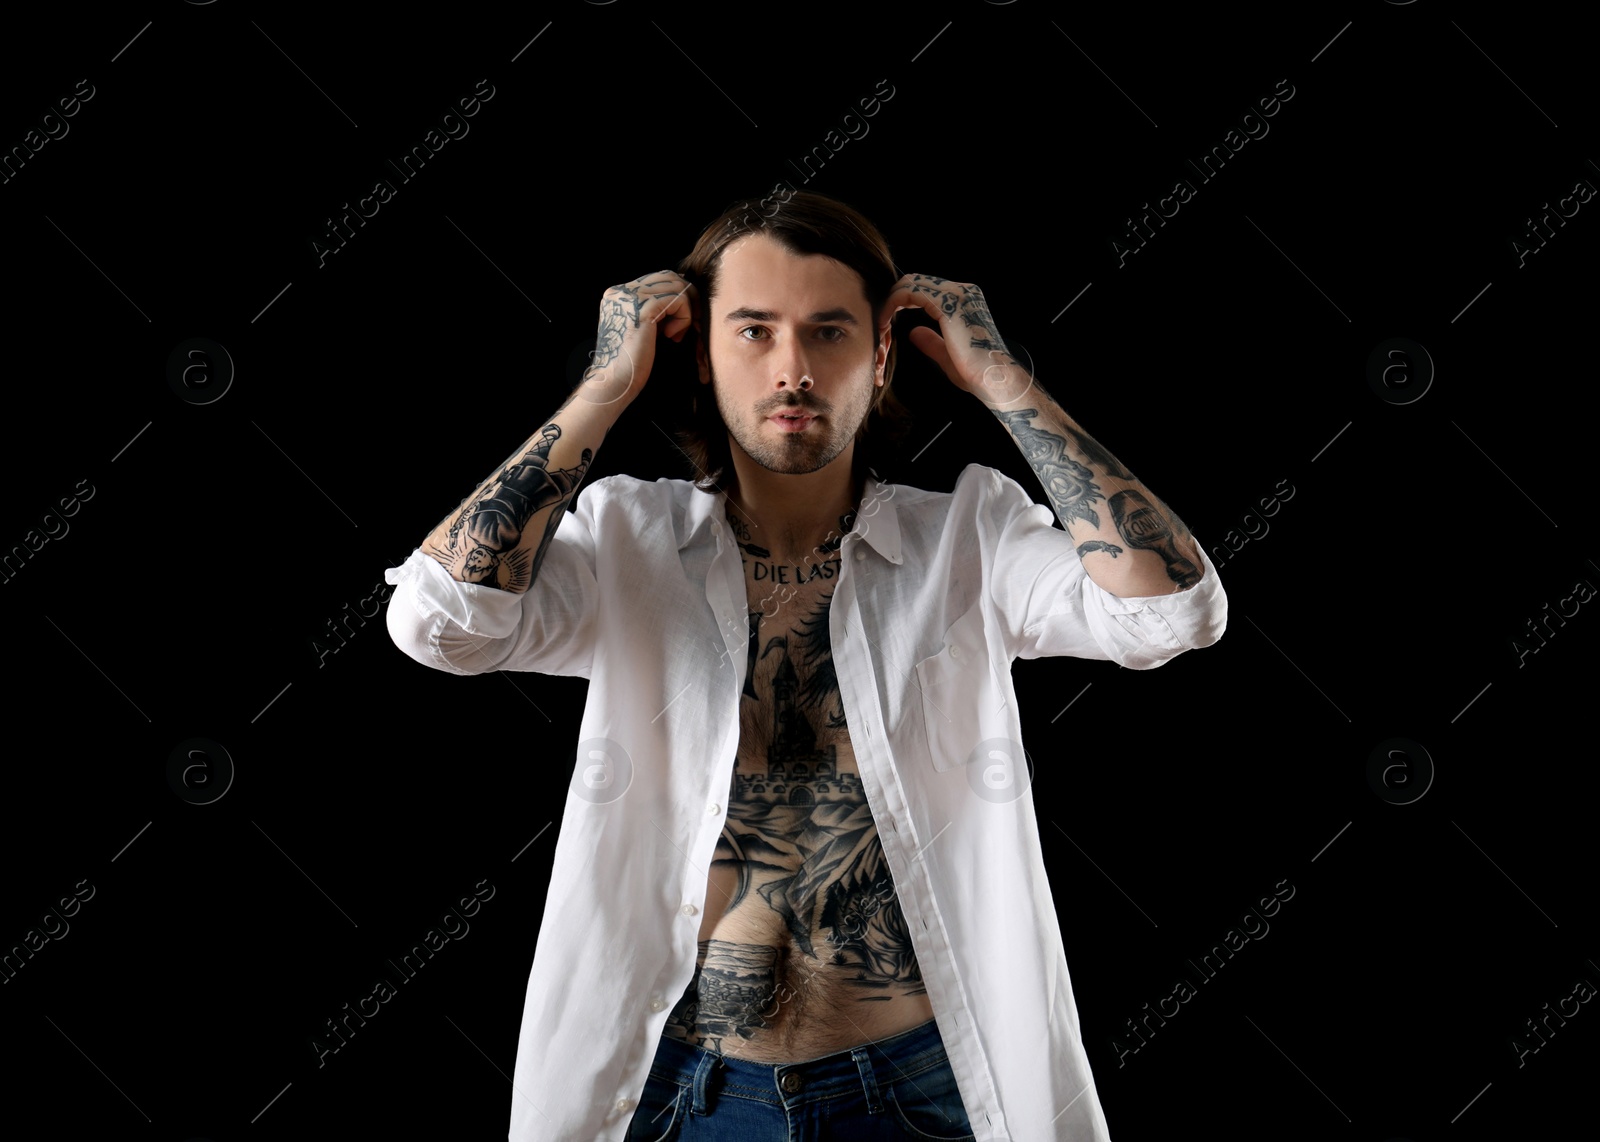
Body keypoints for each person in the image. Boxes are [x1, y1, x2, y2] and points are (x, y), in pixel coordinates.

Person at [384, 191, 1227, 1141]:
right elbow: (437, 624)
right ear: (700, 356)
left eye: (829, 333)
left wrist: (1005, 383)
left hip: (917, 1091)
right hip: (672, 1093)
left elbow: (1171, 612)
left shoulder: (972, 538)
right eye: (753, 332)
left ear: (879, 357)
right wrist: (604, 387)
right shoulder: (629, 539)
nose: (793, 370)